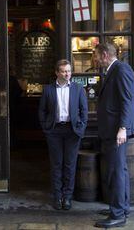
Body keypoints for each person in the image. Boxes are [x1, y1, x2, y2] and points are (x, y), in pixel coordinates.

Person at [94, 43, 134, 228]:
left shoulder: (121, 70)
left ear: (105, 55)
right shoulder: (114, 70)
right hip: (113, 130)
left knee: (116, 172)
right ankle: (122, 208)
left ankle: (117, 215)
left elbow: (127, 101)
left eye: (96, 55)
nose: (95, 59)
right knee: (120, 170)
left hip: (117, 131)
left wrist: (122, 128)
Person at [38, 59, 88, 210]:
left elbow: (84, 111)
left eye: (69, 71)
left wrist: (81, 128)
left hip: (72, 131)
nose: (67, 74)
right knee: (56, 164)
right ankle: (57, 196)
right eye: (64, 71)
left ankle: (67, 197)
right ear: (57, 73)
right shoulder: (48, 89)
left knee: (70, 165)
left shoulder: (78, 89)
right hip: (54, 131)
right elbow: (42, 111)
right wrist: (46, 128)